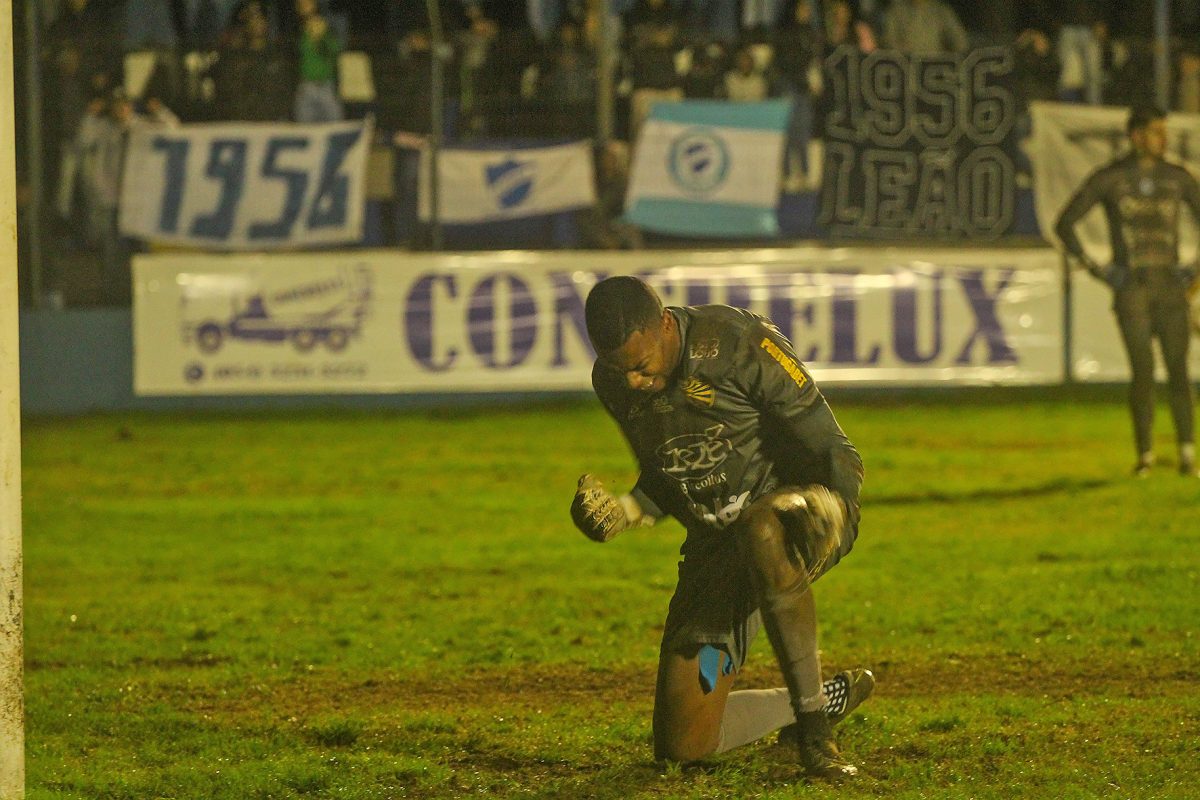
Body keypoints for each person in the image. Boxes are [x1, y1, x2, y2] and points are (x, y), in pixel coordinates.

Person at [570, 276, 873, 776]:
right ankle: (826, 698)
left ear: (665, 325)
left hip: (800, 519)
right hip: (719, 546)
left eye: (641, 368)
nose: (632, 383)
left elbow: (837, 452)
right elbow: (672, 478)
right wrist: (625, 510)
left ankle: (815, 734)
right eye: (619, 370)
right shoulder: (615, 381)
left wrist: (833, 504)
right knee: (684, 742)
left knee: (762, 530)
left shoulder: (738, 344)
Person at [1054, 104, 1200, 477]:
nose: (1163, 139)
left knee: (1179, 371)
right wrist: (1100, 272)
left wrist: (1194, 272)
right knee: (1143, 371)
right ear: (1136, 136)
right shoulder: (1111, 178)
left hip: (1169, 286)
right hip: (1132, 288)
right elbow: (1065, 224)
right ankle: (1146, 456)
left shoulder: (1177, 177)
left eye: (1164, 131)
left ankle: (1187, 454)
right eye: (1155, 132)